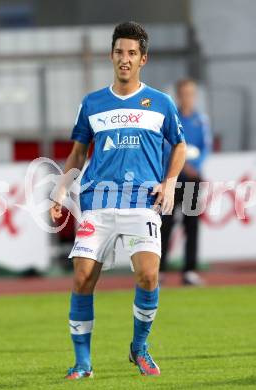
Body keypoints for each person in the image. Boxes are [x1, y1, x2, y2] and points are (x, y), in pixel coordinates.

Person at [50, 21, 186, 379]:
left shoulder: (161, 102)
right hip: (98, 202)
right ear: (111, 55)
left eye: (132, 53)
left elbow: (180, 145)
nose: (124, 59)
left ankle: (139, 348)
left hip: (142, 202)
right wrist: (61, 192)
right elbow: (78, 152)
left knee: (148, 274)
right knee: (81, 278)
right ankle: (83, 364)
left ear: (143, 58)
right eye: (119, 52)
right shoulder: (92, 103)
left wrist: (170, 183)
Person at [160, 79, 212, 286]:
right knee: (165, 226)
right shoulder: (171, 118)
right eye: (183, 93)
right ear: (178, 95)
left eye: (190, 93)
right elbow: (165, 146)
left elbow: (205, 146)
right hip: (172, 180)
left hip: (192, 180)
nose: (187, 97)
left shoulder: (201, 120)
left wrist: (195, 165)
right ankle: (159, 271)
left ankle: (189, 271)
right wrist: (182, 166)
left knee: (192, 225)